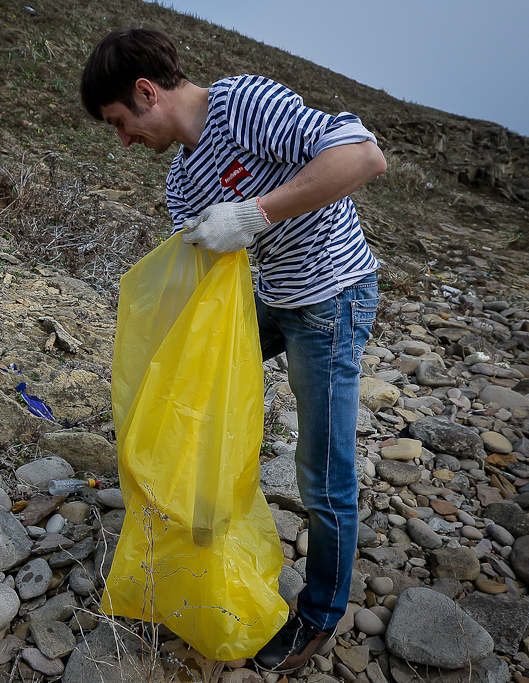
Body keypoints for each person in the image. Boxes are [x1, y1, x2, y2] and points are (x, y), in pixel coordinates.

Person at [80, 28, 386, 673]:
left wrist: (258, 213)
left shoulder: (242, 104)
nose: (124, 140)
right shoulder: (183, 181)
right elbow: (197, 273)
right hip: (270, 297)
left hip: (331, 296)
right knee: (189, 404)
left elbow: (363, 160)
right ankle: (197, 554)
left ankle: (319, 615)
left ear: (145, 93)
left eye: (119, 123)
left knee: (322, 471)